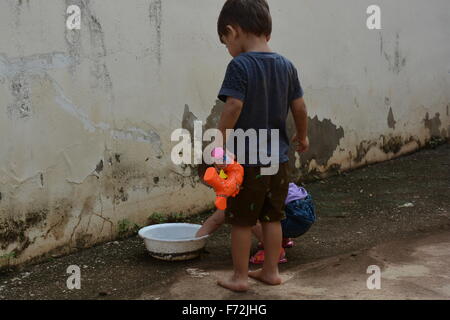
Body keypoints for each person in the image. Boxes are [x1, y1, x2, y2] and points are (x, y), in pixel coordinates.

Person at [211, 0, 309, 292]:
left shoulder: (239, 65)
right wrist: (302, 136)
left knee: (242, 221)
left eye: (225, 41)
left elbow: (233, 106)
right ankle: (271, 272)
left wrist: (218, 142)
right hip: (278, 159)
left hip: (248, 161)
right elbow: (300, 107)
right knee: (272, 216)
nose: (227, 46)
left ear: (233, 31)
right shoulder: (286, 65)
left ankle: (240, 277)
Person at [196, 183, 316, 264]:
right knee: (267, 208)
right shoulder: (255, 174)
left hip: (294, 218)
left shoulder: (240, 190)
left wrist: (195, 240)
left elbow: (216, 220)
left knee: (246, 214)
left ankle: (273, 250)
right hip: (304, 208)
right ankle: (281, 239)